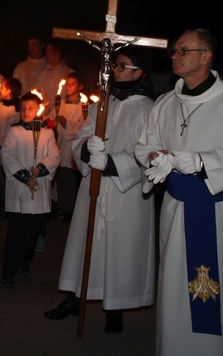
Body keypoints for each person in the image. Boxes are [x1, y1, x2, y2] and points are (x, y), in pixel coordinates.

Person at [134, 28, 223, 356]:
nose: (173, 56)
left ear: (205, 57)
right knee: (174, 287)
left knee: (208, 289)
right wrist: (154, 158)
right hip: (174, 207)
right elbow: (145, 144)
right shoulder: (165, 103)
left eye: (181, 51)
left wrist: (202, 161)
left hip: (214, 211)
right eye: (174, 51)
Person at [44, 47, 156, 335]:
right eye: (115, 65)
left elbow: (150, 153)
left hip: (126, 192)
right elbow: (82, 136)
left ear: (139, 72)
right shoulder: (101, 104)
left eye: (122, 65)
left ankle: (115, 309)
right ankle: (73, 298)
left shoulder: (150, 110)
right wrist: (86, 149)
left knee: (120, 250)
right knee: (84, 242)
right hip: (92, 187)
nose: (115, 70)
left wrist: (113, 162)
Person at [0, 92, 60, 288]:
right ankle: (8, 270)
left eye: (31, 108)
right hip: (20, 188)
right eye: (23, 108)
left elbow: (54, 155)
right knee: (16, 231)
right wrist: (25, 176)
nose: (26, 111)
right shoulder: (13, 131)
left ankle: (25, 263)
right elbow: (7, 154)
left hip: (39, 188)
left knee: (33, 232)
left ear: (38, 110)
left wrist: (40, 169)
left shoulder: (47, 133)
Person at [33, 38, 74, 250]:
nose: (46, 56)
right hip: (45, 118)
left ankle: (58, 202)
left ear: (57, 53)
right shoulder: (43, 72)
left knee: (58, 159)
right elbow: (38, 93)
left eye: (49, 52)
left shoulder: (67, 72)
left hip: (60, 119)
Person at [49, 71, 86, 219]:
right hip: (59, 144)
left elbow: (84, 126)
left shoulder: (83, 106)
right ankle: (60, 205)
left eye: (73, 84)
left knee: (70, 177)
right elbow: (50, 119)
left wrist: (66, 123)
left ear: (80, 86)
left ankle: (70, 209)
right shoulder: (61, 103)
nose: (69, 87)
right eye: (68, 84)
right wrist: (51, 123)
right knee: (60, 176)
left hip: (72, 146)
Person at [0, 77, 22, 216]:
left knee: (4, 181)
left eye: (2, 87)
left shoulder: (15, 109)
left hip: (2, 149)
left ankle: (6, 207)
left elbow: (9, 131)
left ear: (9, 90)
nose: (0, 89)